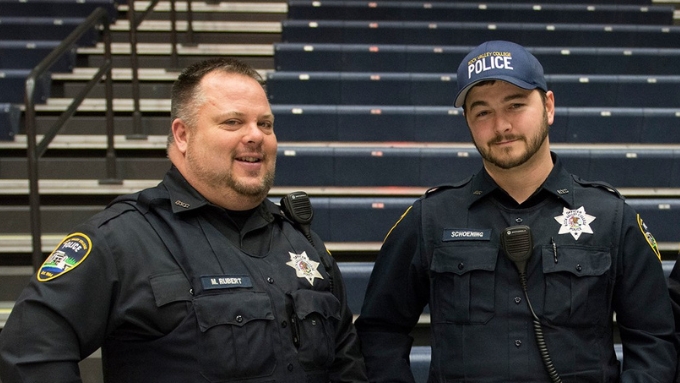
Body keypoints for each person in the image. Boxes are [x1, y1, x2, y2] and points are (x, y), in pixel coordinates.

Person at [0, 57, 367, 383]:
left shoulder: (301, 242)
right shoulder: (124, 240)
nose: (255, 136)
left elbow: (346, 365)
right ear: (182, 134)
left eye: (265, 124)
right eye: (232, 122)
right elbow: (27, 352)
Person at [354, 40, 677, 382]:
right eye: (482, 112)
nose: (501, 126)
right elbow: (380, 332)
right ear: (467, 121)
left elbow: (654, 342)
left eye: (516, 105)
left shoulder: (613, 218)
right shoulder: (429, 219)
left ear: (549, 107)